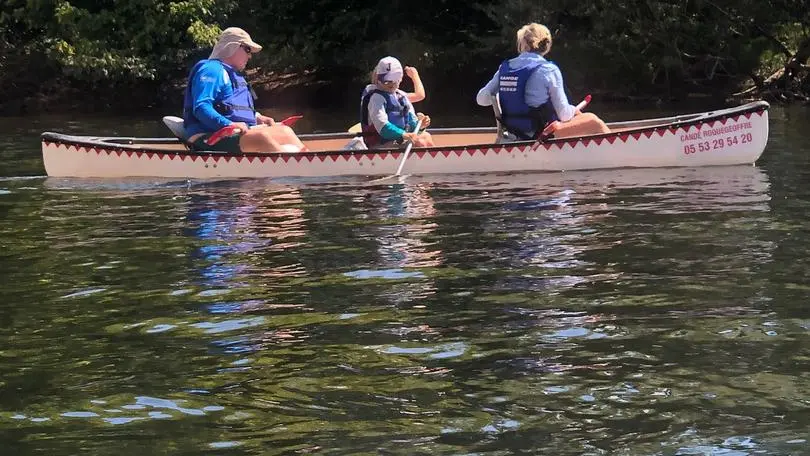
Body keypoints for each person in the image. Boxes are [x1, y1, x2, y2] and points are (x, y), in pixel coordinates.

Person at [476, 23, 610, 140]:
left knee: (582, 117)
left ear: (522, 43)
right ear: (547, 45)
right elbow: (564, 115)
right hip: (539, 134)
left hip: (512, 131)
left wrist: (505, 95)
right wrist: (573, 110)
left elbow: (481, 99)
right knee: (593, 121)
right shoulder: (548, 69)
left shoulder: (505, 68)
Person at [182, 27, 306, 153]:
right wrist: (228, 124)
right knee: (261, 138)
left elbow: (229, 107)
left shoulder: (231, 73)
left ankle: (308, 165)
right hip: (205, 135)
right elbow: (201, 107)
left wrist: (257, 117)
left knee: (285, 131)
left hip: (234, 132)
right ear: (232, 47)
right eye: (247, 49)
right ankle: (289, 170)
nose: (250, 55)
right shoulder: (211, 70)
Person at [360, 56, 434, 149]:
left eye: (395, 80)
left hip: (398, 141)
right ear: (378, 79)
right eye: (387, 81)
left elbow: (412, 127)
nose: (391, 84)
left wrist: (420, 126)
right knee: (419, 142)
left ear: (400, 78)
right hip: (380, 145)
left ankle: (431, 162)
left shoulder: (401, 97)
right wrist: (404, 134)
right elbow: (382, 127)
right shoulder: (376, 98)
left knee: (426, 136)